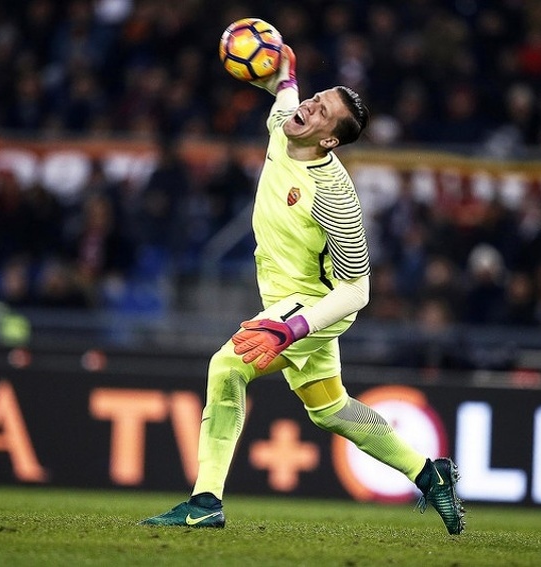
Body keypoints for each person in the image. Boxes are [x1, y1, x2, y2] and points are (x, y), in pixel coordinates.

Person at [139, 43, 464, 535]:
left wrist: (289, 330)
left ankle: (205, 501)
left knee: (226, 367)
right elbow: (282, 89)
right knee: (330, 409)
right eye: (316, 97)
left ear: (331, 142)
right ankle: (428, 472)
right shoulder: (284, 122)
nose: (309, 107)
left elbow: (357, 292)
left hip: (314, 305)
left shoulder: (334, 196)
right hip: (285, 299)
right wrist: (283, 69)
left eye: (322, 112)